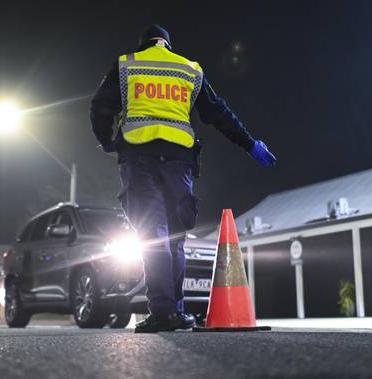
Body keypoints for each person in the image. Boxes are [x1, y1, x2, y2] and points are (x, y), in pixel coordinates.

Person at [90, 25, 277, 333]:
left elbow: (100, 106)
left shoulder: (127, 64)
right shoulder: (189, 69)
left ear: (144, 43)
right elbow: (219, 113)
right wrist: (250, 144)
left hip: (139, 160)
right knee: (176, 238)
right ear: (166, 43)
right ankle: (175, 310)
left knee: (152, 235)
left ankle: (163, 312)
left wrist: (107, 140)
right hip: (180, 164)